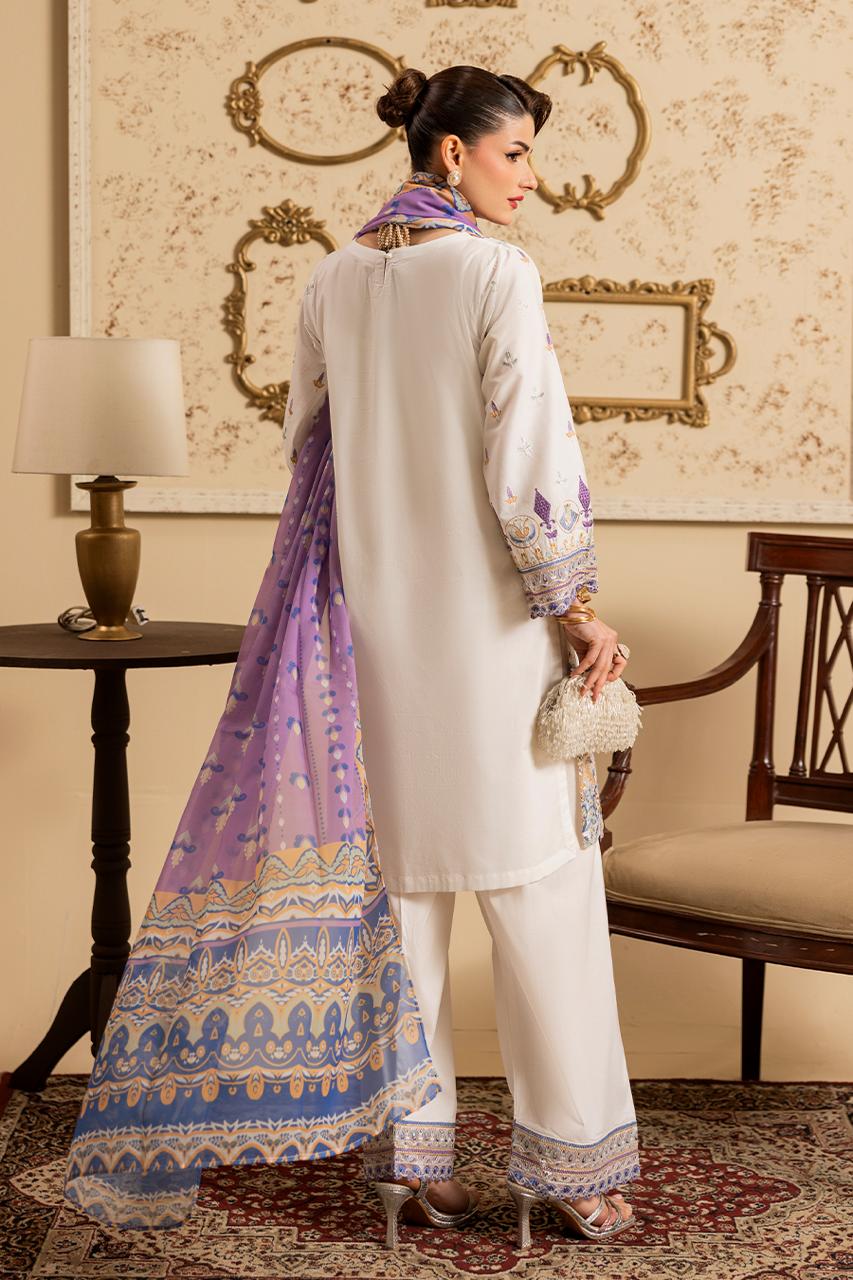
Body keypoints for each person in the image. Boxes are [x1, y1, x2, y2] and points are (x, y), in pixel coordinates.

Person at [282, 65, 641, 1248]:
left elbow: (308, 451)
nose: (530, 176)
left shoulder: (332, 277)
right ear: (452, 154)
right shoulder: (493, 271)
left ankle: (411, 1163)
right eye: (516, 152)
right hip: (486, 633)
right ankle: (572, 1169)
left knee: (403, 896)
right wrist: (576, 607)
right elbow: (527, 451)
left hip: (372, 633)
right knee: (541, 891)